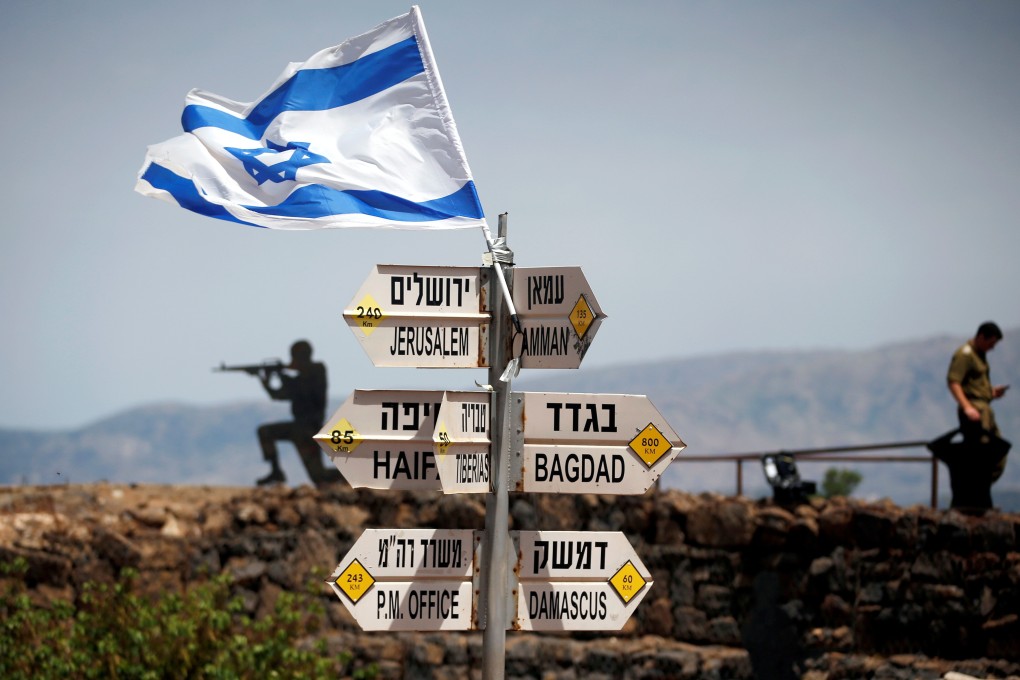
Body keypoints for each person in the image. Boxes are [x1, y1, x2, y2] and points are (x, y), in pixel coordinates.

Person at [256, 340, 341, 487]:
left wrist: (283, 376)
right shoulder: (303, 377)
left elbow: (299, 388)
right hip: (300, 429)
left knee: (320, 477)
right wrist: (267, 384)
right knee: (265, 432)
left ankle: (355, 478)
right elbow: (280, 395)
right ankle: (276, 472)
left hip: (308, 430)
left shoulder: (317, 371)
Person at [944, 322, 1010, 507]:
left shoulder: (979, 355)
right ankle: (972, 498)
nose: (992, 348)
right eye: (991, 343)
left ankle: (978, 492)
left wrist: (990, 392)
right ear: (981, 337)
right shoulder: (965, 354)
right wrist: (966, 407)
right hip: (974, 411)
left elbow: (974, 384)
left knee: (996, 453)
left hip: (985, 409)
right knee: (979, 457)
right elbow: (954, 382)